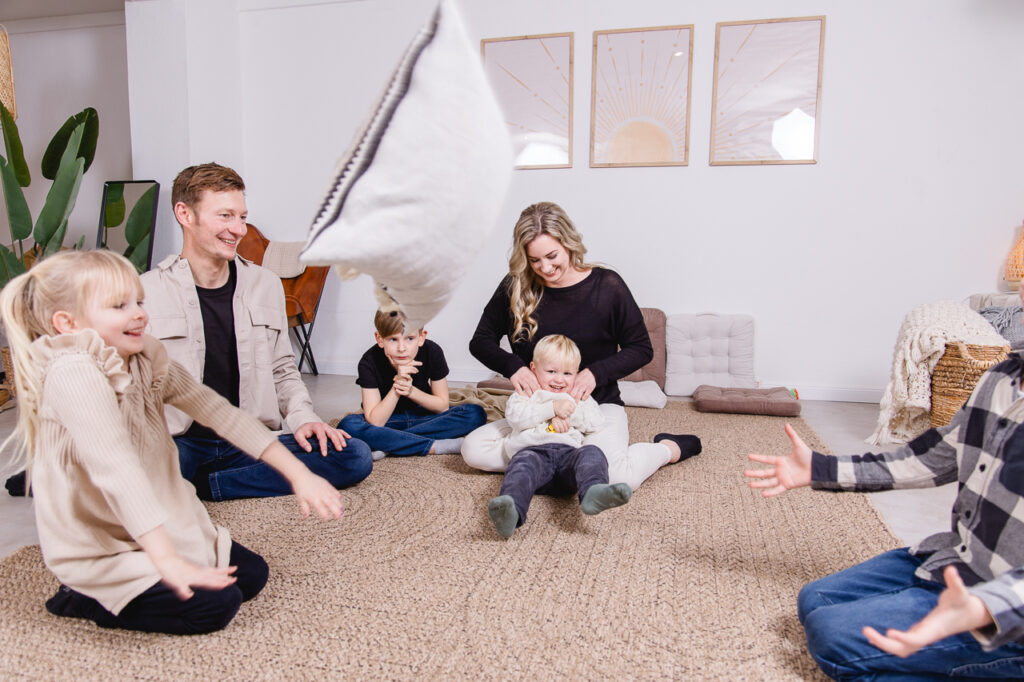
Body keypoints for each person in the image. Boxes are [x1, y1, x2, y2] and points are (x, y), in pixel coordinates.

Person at [0, 250, 343, 634]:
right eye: (119, 306)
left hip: (151, 512)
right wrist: (169, 562)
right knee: (215, 606)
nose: (139, 314)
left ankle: (159, 561)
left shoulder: (146, 354)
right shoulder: (73, 372)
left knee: (251, 576)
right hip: (102, 535)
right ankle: (83, 595)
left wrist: (298, 474)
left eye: (139, 301)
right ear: (68, 323)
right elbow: (116, 469)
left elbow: (218, 411)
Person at [745, 339, 1024, 682]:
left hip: (1005, 611)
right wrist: (821, 468)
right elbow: (934, 458)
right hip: (959, 562)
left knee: (832, 636)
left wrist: (985, 607)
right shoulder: (1001, 377)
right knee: (815, 601)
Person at [140, 163, 372, 501]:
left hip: (250, 439)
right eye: (225, 216)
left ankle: (204, 484)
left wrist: (304, 418)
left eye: (242, 217)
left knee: (353, 456)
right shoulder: (146, 292)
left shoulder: (265, 284)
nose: (238, 230)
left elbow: (283, 369)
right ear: (185, 214)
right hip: (180, 442)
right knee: (141, 474)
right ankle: (200, 480)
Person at [464, 201, 701, 490]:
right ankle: (568, 464)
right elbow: (480, 342)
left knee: (617, 477)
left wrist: (594, 374)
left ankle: (668, 448)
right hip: (539, 412)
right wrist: (514, 368)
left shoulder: (607, 285)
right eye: (534, 260)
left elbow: (641, 348)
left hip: (596, 407)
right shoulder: (515, 286)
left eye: (552, 256)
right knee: (473, 450)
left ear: (569, 243)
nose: (545, 268)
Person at [487, 335, 632, 538]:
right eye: (551, 371)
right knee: (520, 467)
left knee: (592, 452)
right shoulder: (527, 393)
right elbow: (515, 418)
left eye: (567, 373)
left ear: (576, 374)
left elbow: (596, 421)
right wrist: (551, 409)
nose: (559, 379)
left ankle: (593, 491)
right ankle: (511, 511)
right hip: (533, 454)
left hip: (568, 460)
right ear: (533, 369)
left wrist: (568, 415)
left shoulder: (577, 396)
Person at [338, 309, 486, 458]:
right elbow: (376, 421)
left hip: (424, 416)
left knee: (475, 413)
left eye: (409, 338)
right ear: (380, 339)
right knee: (348, 425)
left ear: (421, 337)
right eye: (393, 339)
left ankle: (388, 443)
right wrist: (397, 386)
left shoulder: (432, 351)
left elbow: (442, 406)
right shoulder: (368, 361)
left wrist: (410, 391)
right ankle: (433, 446)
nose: (402, 348)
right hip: (389, 420)